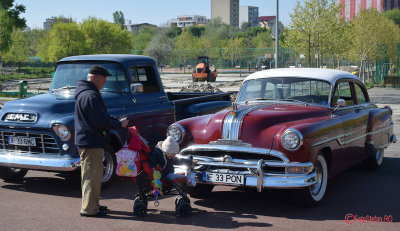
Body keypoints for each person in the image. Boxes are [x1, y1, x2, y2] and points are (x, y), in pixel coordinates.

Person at [74, 65, 129, 217]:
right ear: (94, 77)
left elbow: (100, 116)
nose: (104, 83)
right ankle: (89, 209)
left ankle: (93, 205)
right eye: (103, 80)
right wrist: (119, 123)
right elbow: (101, 121)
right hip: (91, 142)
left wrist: (115, 120)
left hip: (88, 140)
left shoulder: (85, 93)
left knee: (93, 176)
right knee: (92, 177)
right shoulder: (91, 96)